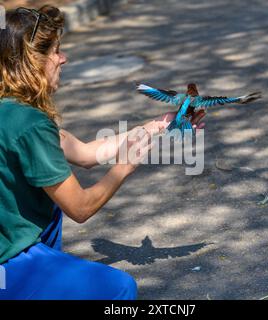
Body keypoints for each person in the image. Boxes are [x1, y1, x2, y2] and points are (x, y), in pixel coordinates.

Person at [0, 6, 205, 300]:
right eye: (56, 51)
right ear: (34, 61)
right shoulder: (30, 124)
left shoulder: (11, 111)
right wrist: (123, 168)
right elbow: (80, 208)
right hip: (10, 267)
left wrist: (161, 124)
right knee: (118, 288)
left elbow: (85, 153)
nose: (64, 58)